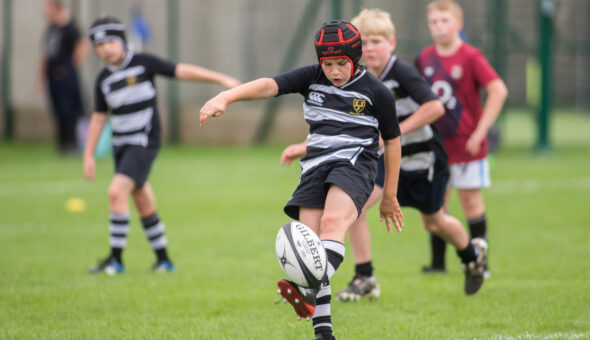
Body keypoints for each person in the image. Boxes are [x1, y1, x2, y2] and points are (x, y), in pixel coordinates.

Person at [200, 20, 403, 340]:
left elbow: (392, 142)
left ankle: (304, 287)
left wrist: (389, 195)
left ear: (356, 58)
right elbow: (269, 85)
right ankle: (323, 332)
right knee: (311, 244)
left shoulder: (376, 92)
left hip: (355, 166)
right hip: (315, 167)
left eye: (341, 64)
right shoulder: (311, 77)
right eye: (328, 63)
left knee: (333, 224)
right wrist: (226, 97)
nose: (334, 71)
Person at [282, 8, 489, 299]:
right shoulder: (351, 79)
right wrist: (304, 147)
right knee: (356, 206)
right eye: (364, 42)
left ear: (391, 43)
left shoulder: (400, 72)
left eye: (377, 41)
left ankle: (471, 255)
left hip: (421, 159)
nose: (370, 48)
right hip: (380, 159)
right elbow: (342, 131)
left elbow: (435, 108)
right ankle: (365, 276)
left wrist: (393, 134)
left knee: (434, 221)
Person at [84, 16, 241, 275]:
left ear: (122, 41)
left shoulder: (143, 63)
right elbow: (99, 117)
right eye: (98, 45)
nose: (105, 49)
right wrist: (88, 154)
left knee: (116, 192)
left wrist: (221, 79)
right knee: (142, 198)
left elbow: (181, 70)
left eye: (110, 42)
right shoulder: (103, 79)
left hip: (143, 141)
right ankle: (164, 260)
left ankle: (115, 260)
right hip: (121, 145)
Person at [415, 0, 508, 276]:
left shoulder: (470, 57)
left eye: (445, 21)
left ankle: (481, 263)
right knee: (436, 203)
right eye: (434, 22)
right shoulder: (424, 58)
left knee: (470, 202)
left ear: (459, 24)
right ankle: (437, 264)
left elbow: (498, 90)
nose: (439, 27)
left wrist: (481, 131)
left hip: (467, 145)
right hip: (436, 146)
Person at [37, 0, 87, 155]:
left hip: (65, 76)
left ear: (56, 7)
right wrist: (40, 77)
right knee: (58, 110)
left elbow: (82, 46)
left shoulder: (70, 26)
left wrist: (69, 67)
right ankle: (62, 146)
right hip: (52, 76)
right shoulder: (51, 29)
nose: (44, 10)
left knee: (69, 110)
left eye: (47, 6)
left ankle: (72, 145)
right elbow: (46, 54)